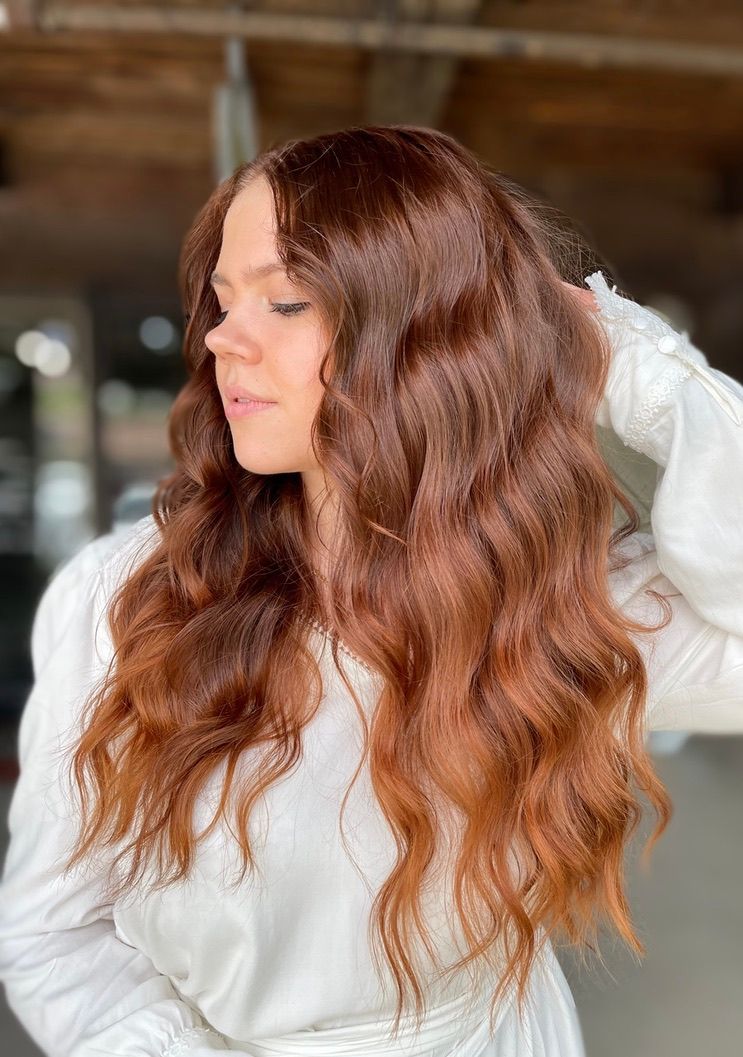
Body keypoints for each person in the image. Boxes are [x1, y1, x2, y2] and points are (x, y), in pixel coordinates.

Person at [0, 125, 741, 1057]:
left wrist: (618, 354)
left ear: (433, 334)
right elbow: (52, 934)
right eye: (223, 301)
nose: (224, 338)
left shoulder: (551, 598)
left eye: (288, 299)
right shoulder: (125, 598)